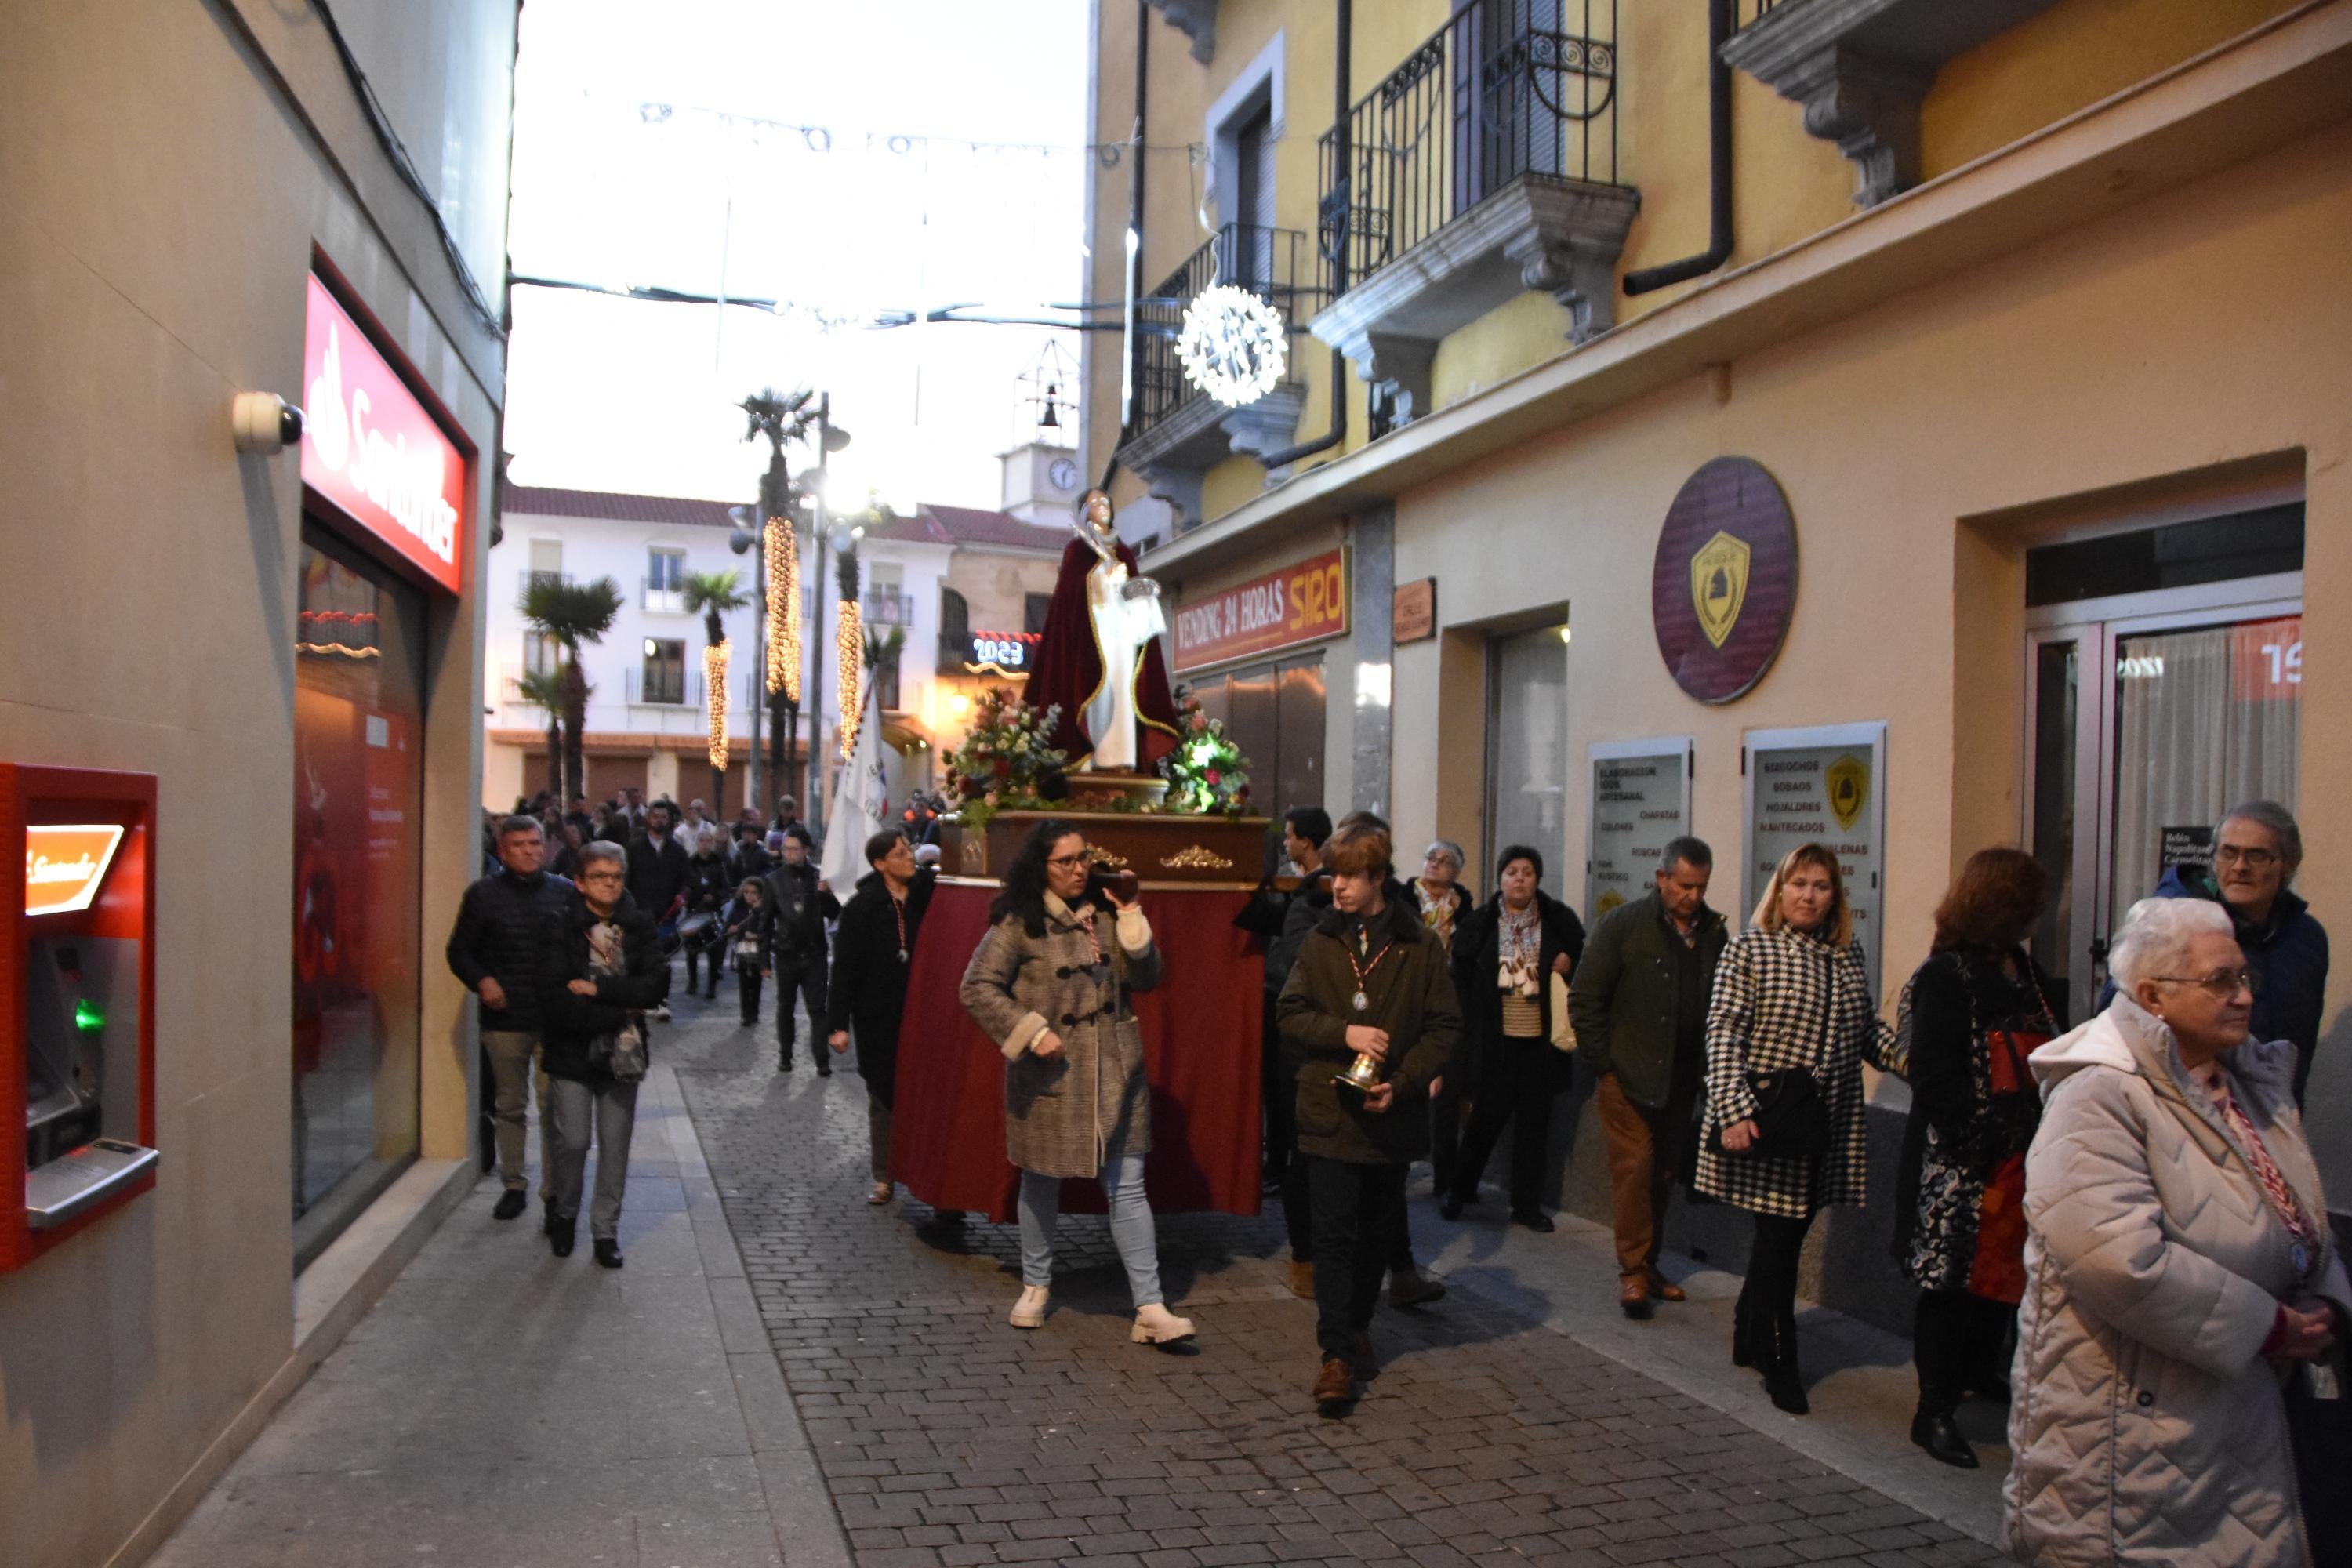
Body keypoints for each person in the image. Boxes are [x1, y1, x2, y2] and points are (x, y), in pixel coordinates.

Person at [2005, 896, 2350, 1566]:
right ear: (2153, 995)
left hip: (2242, 1420)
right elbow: (2115, 1258)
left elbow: (2300, 1216)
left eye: (2245, 977)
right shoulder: (2100, 1093)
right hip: (2131, 1439)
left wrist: (2327, 1305)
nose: (2245, 997)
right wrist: (2267, 1326)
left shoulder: (2252, 1084)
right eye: (2222, 981)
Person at [958, 820, 1196, 1345]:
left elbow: (1151, 979)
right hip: (1050, 1077)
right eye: (1065, 860)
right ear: (1040, 867)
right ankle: (1036, 1285)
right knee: (1041, 1181)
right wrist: (1029, 1029)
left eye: (1083, 857)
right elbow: (976, 986)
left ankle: (1150, 1307)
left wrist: (1132, 913)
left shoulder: (1107, 915)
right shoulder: (1021, 922)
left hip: (1117, 1070)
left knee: (1129, 1188)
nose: (1078, 868)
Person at [1696, 841, 1900, 1415]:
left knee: (1783, 1235)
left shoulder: (1847, 956)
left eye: (1821, 886)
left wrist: (1915, 1059)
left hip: (1824, 1125)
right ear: (1779, 891)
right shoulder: (1751, 950)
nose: (1808, 896)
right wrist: (1734, 1110)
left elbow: (1865, 1031)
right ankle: (1780, 1360)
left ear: (1836, 896)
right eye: (1798, 884)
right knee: (1781, 1240)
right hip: (1770, 1122)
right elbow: (1723, 1032)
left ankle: (1746, 1327)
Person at [1277, 822, 1461, 1415]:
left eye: (1353, 876)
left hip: (1390, 1115)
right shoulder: (1320, 939)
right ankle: (1335, 1353)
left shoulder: (1418, 945)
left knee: (1375, 1237)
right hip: (1328, 1111)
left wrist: (1404, 1084)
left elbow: (1444, 1028)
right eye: (1335, 875)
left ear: (1379, 878)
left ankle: (1357, 1325)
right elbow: (1291, 1012)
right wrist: (1345, 1032)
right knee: (1331, 1236)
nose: (1340, 888)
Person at [1889, 848, 2063, 1468]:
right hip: (1960, 1167)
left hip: (2025, 1159)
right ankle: (1932, 1408)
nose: (2040, 914)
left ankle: (1981, 1371)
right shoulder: (1948, 975)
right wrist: (1978, 1140)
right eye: (2029, 904)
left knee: (2005, 1279)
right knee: (1951, 1286)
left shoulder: (2029, 971)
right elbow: (1934, 1076)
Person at [1570, 835, 1726, 1321]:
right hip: (1629, 1077)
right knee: (1635, 1168)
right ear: (1661, 878)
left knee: (1663, 1173)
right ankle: (1633, 1271)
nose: (1693, 897)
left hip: (1681, 1079)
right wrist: (1605, 1065)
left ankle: (1650, 1264)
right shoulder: (1624, 925)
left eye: (1701, 887)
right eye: (1684, 886)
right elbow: (1585, 998)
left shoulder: (1714, 932)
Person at [532, 842, 668, 1267]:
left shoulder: (639, 925)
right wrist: (619, 1009)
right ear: (579, 882)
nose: (610, 884)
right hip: (570, 1051)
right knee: (572, 1141)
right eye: (600, 876)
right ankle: (565, 1213)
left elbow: (654, 987)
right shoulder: (559, 925)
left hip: (622, 1057)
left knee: (615, 1145)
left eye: (616, 877)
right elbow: (553, 997)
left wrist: (598, 989)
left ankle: (605, 1231)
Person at [2142, 801, 2328, 1104]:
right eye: (2229, 853)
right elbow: (2125, 1026)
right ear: (2214, 861)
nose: (2240, 867)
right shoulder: (2169, 928)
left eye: (2257, 855)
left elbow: (2300, 1047)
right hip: (2183, 1113)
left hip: (2272, 1119)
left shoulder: (2306, 939)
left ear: (2288, 865)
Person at [1444, 844, 1586, 1231]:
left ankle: (1526, 1206)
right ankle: (1461, 1189)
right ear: (1501, 879)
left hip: (1540, 1043)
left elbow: (1583, 957)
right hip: (1495, 1042)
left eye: (1527, 872)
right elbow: (1461, 975)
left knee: (1533, 1128)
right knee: (1483, 1123)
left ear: (1537, 878)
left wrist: (1567, 964)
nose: (1520, 878)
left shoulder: (1558, 921)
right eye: (1512, 872)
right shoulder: (1482, 921)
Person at [445, 815, 575, 1225]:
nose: (530, 851)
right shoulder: (483, 895)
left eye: (535, 843)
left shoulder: (566, 893)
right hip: (505, 1020)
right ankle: (514, 1185)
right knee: (510, 1106)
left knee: (554, 1108)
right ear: (503, 851)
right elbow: (459, 951)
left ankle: (554, 1193)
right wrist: (482, 980)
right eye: (519, 844)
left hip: (554, 1021)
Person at [1025, 488, 1181, 771]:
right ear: (1086, 513)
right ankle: (1089, 757)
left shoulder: (1122, 552)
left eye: (1106, 502)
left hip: (1121, 637)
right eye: (1095, 503)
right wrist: (1100, 579)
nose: (1103, 506)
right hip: (1091, 638)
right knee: (1095, 692)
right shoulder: (1077, 551)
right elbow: (1071, 597)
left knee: (1121, 691)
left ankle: (1119, 757)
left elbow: (1133, 593)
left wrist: (1137, 591)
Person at [827, 831, 936, 1203]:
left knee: (927, 1096)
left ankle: (932, 1181)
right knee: (883, 1097)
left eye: (909, 851)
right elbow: (844, 970)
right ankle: (884, 1175)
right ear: (880, 864)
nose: (910, 858)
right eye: (900, 854)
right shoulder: (861, 907)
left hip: (923, 1012)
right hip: (877, 1016)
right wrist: (838, 1024)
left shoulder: (928, 896)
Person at [1265, 806, 1334, 1294]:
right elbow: (1288, 962)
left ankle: (1403, 1267)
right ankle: (1305, 1253)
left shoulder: (1385, 913)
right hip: (1305, 1041)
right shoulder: (1307, 902)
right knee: (1301, 1148)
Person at [765, 828, 839, 1073]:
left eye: (795, 849)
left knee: (817, 1008)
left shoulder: (818, 878)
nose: (789, 854)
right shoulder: (774, 880)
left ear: (806, 851)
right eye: (786, 849)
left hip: (814, 952)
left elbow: (833, 913)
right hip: (786, 953)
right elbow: (765, 921)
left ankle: (822, 1059)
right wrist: (763, 959)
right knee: (785, 1006)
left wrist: (826, 894)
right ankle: (785, 1054)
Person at [681, 826, 733, 1000]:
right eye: (702, 841)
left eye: (708, 841)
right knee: (691, 948)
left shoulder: (719, 862)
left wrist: (716, 896)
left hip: (713, 912)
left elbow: (726, 888)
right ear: (697, 844)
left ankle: (711, 986)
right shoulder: (690, 863)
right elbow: (684, 885)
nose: (705, 844)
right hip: (695, 910)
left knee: (714, 950)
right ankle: (693, 982)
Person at [717, 878, 775, 1026]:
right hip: (743, 947)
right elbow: (728, 928)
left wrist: (757, 936)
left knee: (756, 981)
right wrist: (732, 931)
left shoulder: (765, 910)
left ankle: (754, 1012)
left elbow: (770, 931)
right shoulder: (738, 908)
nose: (750, 896)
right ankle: (745, 1014)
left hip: (760, 950)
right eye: (747, 892)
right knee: (744, 980)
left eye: (754, 893)